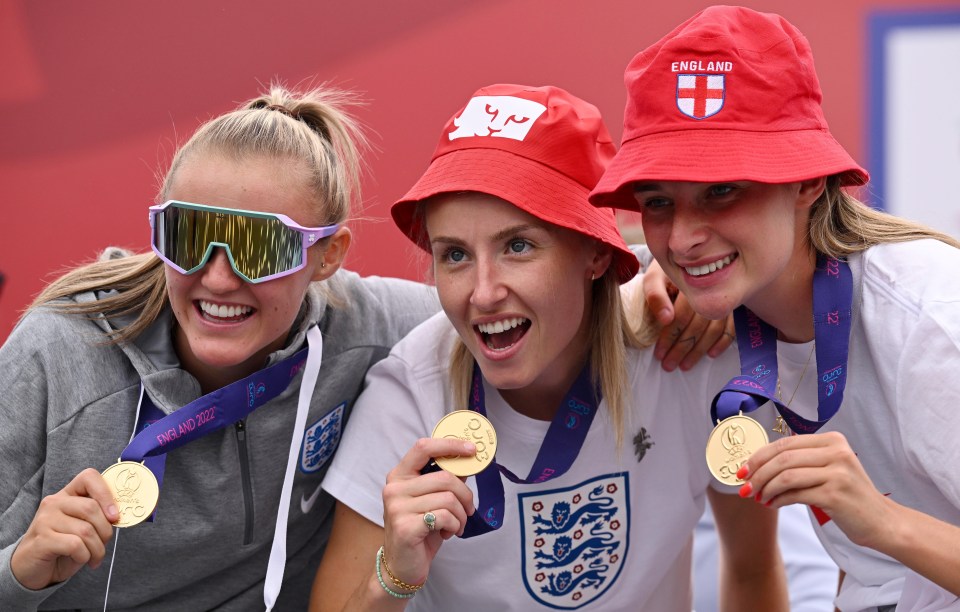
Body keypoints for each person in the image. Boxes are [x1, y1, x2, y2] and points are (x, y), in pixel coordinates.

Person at [311, 83, 787, 611]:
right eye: (454, 255)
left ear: (597, 254)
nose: (483, 293)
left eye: (518, 246)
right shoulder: (407, 396)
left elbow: (754, 570)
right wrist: (393, 577)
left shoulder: (688, 353)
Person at [0, 85, 443, 610]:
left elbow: (480, 313)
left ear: (327, 256)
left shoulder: (362, 327)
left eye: (259, 248)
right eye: (187, 235)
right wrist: (19, 573)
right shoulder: (58, 352)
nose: (217, 277)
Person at [590, 6, 960, 611]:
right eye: (658, 202)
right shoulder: (731, 309)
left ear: (809, 183)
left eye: (722, 190)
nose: (682, 238)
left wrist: (885, 523)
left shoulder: (933, 320)